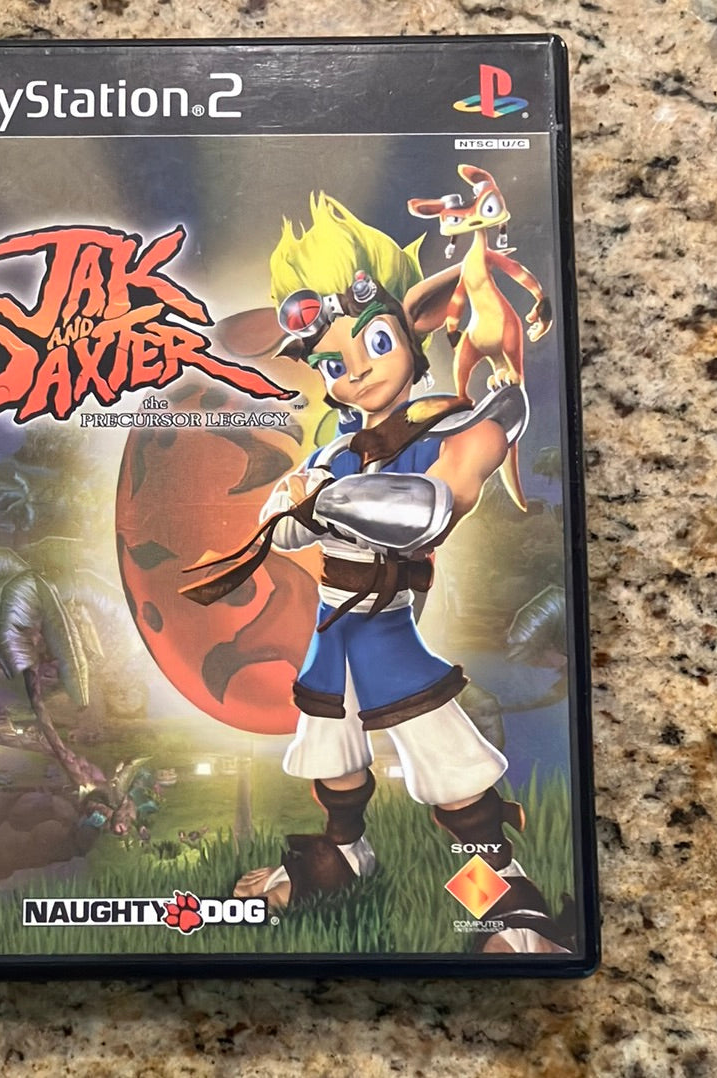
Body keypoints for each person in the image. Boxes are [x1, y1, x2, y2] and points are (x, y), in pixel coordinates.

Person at [185, 194, 568, 954]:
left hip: (386, 630)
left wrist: (323, 499)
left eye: (375, 341)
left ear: (413, 330)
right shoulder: (334, 449)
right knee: (332, 755)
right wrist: (293, 502)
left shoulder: (453, 424)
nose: (356, 371)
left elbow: (430, 508)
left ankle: (499, 897)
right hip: (332, 625)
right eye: (333, 363)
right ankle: (344, 856)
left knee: (451, 773)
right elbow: (285, 528)